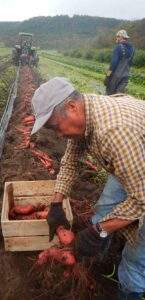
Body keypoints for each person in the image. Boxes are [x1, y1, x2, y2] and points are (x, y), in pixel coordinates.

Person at [31, 77, 145, 300]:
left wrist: (99, 230)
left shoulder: (113, 132)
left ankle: (129, 292)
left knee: (137, 254)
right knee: (104, 208)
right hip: (133, 161)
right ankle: (94, 255)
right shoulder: (86, 114)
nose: (59, 135)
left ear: (71, 107)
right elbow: (71, 160)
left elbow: (142, 199)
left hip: (139, 175)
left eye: (55, 127)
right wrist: (56, 203)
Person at [105, 30, 134, 95]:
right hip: (126, 76)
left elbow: (113, 64)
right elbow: (130, 63)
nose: (116, 38)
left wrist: (108, 75)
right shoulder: (132, 48)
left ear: (122, 37)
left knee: (109, 96)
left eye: (118, 37)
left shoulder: (118, 47)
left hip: (115, 76)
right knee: (118, 96)